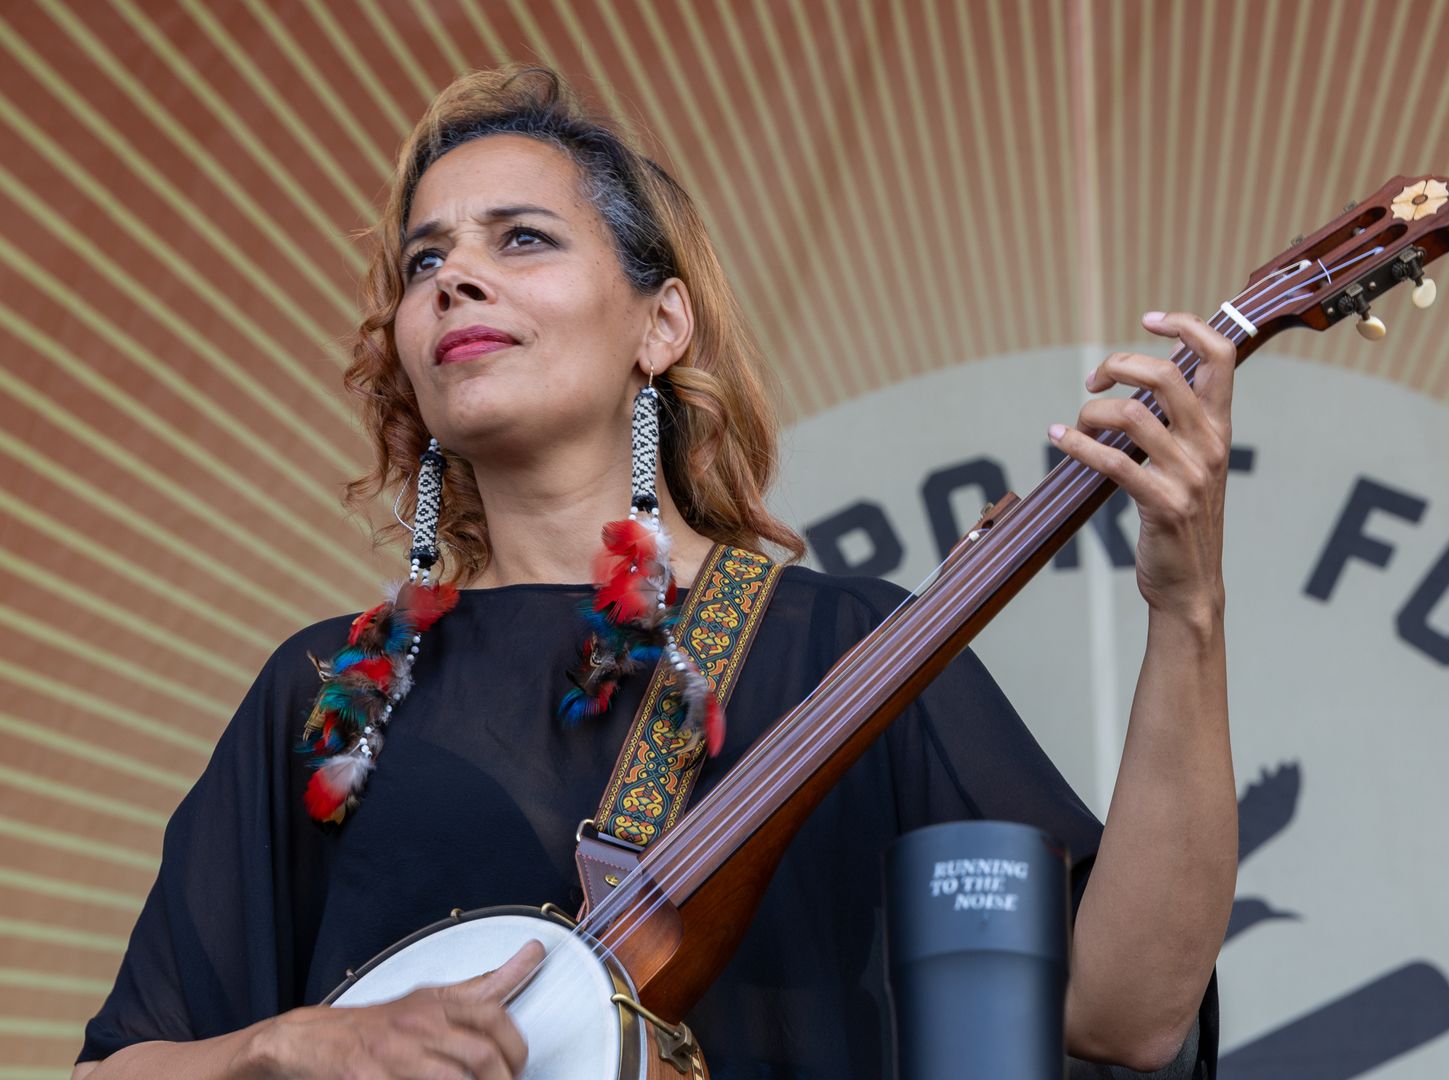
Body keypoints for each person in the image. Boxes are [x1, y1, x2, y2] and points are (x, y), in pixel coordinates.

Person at [73, 64, 1237, 1079]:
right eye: (426, 259)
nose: (453, 279)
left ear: (661, 324)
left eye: (520, 238)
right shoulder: (323, 692)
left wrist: (1187, 611)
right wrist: (292, 1047)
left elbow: (1125, 1015)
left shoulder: (846, 648)